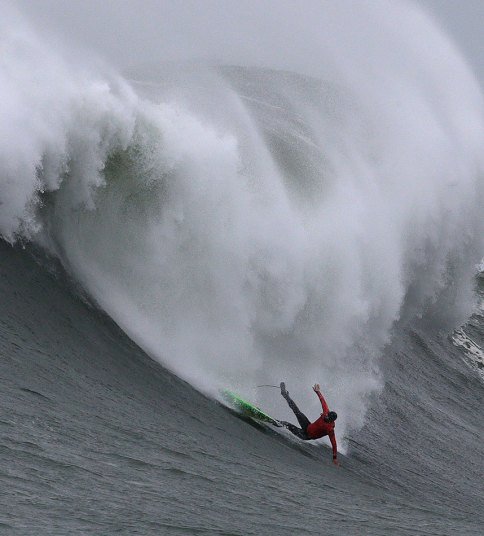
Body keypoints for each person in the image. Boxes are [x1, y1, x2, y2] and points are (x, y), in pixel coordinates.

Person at [279, 382, 339, 465]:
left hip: (306, 435)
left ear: (331, 421)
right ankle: (285, 394)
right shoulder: (326, 412)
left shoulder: (330, 429)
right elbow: (322, 401)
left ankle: (271, 420)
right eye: (327, 415)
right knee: (296, 410)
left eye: (328, 418)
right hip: (307, 425)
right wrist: (317, 391)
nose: (326, 417)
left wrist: (335, 458)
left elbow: (334, 444)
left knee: (287, 424)